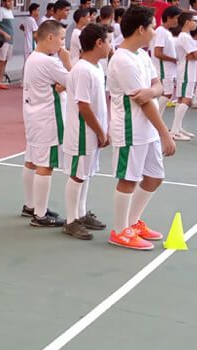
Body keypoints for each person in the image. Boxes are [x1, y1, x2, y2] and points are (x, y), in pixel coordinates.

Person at [106, 5, 177, 250]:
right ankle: (119, 230)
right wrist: (165, 132)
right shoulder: (123, 60)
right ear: (140, 29)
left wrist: (152, 90)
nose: (155, 31)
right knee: (128, 179)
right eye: (152, 27)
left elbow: (158, 86)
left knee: (155, 177)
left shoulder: (143, 55)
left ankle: (133, 222)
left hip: (147, 129)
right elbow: (144, 100)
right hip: (130, 129)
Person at [62, 23, 112, 240]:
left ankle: (81, 213)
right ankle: (71, 220)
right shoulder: (82, 69)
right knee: (78, 175)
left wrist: (102, 129)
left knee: (86, 172)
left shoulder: (97, 68)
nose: (111, 45)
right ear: (99, 43)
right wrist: (101, 131)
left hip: (92, 131)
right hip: (83, 132)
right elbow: (83, 106)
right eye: (109, 41)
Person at [22, 19, 72, 228]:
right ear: (50, 37)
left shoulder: (34, 58)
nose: (62, 44)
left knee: (32, 160)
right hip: (48, 118)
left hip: (33, 115)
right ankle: (40, 215)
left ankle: (31, 205)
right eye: (61, 38)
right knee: (46, 165)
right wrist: (68, 61)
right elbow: (75, 80)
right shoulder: (49, 61)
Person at [171, 12, 197, 140]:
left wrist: (195, 54)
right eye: (194, 20)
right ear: (187, 22)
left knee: (181, 99)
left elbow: (195, 54)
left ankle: (177, 128)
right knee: (186, 99)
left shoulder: (185, 36)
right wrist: (196, 54)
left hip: (185, 70)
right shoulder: (185, 37)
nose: (196, 23)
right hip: (186, 72)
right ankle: (174, 131)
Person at [153, 6, 180, 118]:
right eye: (177, 18)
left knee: (167, 94)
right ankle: (155, 121)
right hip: (163, 69)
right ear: (169, 17)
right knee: (166, 94)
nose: (178, 21)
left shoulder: (166, 32)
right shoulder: (161, 31)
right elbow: (158, 53)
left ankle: (157, 122)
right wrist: (174, 60)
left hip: (168, 69)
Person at [0, 0, 15, 91]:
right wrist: (4, 34)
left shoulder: (9, 11)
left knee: (5, 61)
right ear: (4, 2)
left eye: (11, 1)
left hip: (10, 41)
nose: (11, 3)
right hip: (2, 40)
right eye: (8, 1)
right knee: (0, 61)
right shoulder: (0, 10)